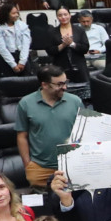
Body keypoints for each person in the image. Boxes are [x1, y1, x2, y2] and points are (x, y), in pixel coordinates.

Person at [14, 60, 84, 189]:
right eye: (60, 84)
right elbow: (22, 136)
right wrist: (28, 165)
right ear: (45, 85)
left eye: (65, 82)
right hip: (40, 168)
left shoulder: (75, 102)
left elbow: (85, 132)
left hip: (72, 166)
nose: (65, 87)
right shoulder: (25, 104)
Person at [0, 2, 32, 76]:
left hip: (22, 56)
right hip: (8, 58)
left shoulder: (22, 25)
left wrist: (22, 61)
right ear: (6, 14)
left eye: (17, 13)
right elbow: (2, 48)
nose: (16, 15)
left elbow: (26, 44)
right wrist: (13, 65)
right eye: (13, 13)